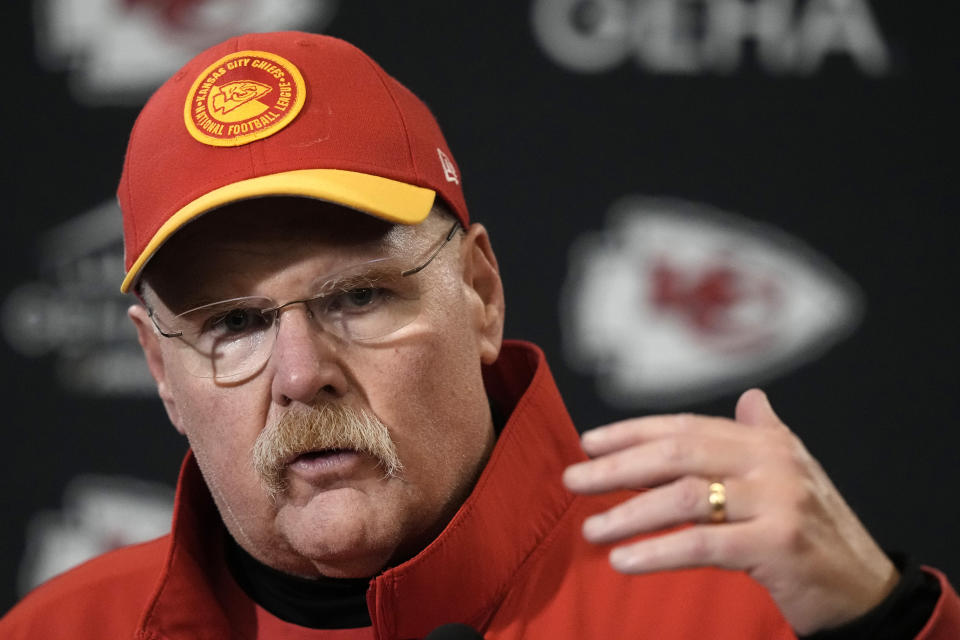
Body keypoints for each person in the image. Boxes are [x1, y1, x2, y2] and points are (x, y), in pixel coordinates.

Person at [1, 31, 957, 639]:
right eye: (236, 324)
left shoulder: (741, 614)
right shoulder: (58, 631)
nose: (301, 375)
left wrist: (883, 628)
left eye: (359, 297)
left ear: (481, 294)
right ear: (159, 371)